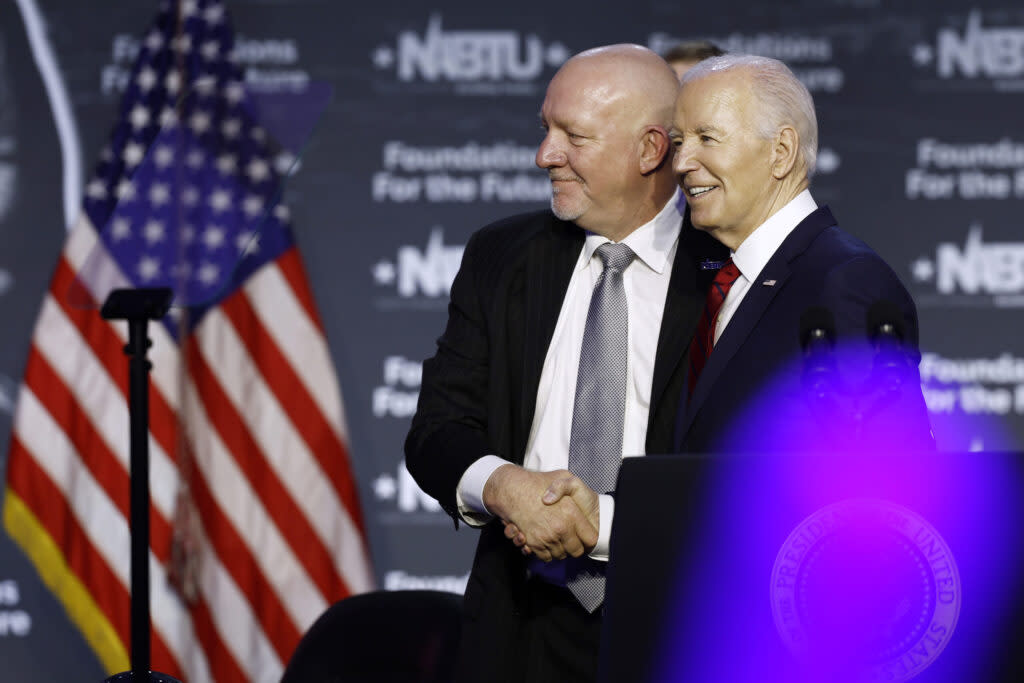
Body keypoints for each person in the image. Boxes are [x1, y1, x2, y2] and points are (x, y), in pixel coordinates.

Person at [405, 44, 725, 683]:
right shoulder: (502, 255)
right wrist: (504, 486)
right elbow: (438, 431)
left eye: (573, 136)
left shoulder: (726, 272)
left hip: (679, 627)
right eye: (545, 129)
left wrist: (598, 524)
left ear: (650, 150)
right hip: (518, 626)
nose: (544, 155)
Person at [669, 54, 933, 453]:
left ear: (781, 151)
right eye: (677, 142)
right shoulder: (715, 279)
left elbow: (886, 478)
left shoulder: (844, 281)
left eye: (706, 138)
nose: (682, 163)